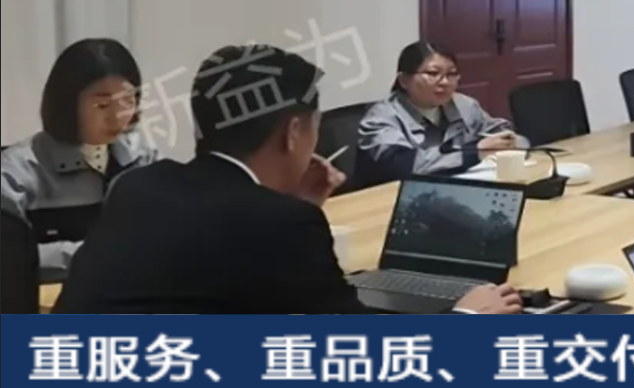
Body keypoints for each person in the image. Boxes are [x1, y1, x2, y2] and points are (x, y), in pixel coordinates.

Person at [54, 44, 520, 314]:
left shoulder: (140, 185)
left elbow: (234, 268)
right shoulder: (282, 224)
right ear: (294, 132)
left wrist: (294, 205)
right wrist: (466, 316)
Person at [0, 39, 158, 275]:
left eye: (127, 101)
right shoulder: (16, 174)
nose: (117, 116)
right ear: (67, 103)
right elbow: (8, 255)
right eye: (102, 105)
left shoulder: (144, 160)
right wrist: (96, 254)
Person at [356, 41, 526, 185]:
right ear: (404, 80)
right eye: (433, 73)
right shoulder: (381, 118)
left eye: (452, 74)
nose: (445, 82)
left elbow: (500, 131)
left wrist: (509, 141)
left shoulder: (464, 104)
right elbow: (404, 166)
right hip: (388, 197)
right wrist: (474, 152)